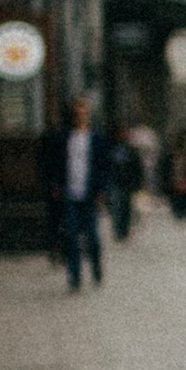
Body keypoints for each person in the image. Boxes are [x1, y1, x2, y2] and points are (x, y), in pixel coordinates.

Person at [38, 97, 112, 290]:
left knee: (93, 237)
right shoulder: (64, 138)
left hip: (90, 195)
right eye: (77, 114)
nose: (80, 117)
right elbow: (54, 163)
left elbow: (104, 166)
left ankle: (96, 267)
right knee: (71, 236)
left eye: (83, 114)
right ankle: (75, 275)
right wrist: (55, 184)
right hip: (69, 194)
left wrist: (103, 190)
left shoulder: (96, 139)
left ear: (88, 116)